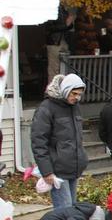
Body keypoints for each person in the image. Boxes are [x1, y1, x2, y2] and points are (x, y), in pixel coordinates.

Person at [30, 74, 89, 209]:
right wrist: (47, 171)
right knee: (65, 211)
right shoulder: (46, 108)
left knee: (71, 210)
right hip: (57, 169)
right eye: (74, 93)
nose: (77, 97)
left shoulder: (75, 107)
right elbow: (38, 142)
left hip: (73, 167)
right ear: (65, 90)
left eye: (79, 94)